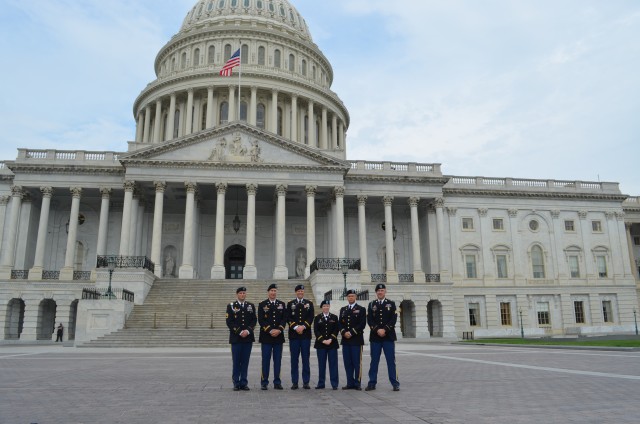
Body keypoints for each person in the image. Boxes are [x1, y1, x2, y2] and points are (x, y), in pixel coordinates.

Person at [365, 283, 400, 391]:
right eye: (378, 291)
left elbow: (393, 319)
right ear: (376, 292)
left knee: (391, 361)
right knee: (374, 361)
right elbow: (369, 320)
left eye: (382, 290)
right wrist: (377, 329)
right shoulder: (371, 305)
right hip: (375, 337)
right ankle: (372, 382)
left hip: (388, 337)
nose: (380, 292)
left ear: (385, 291)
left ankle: (395, 383)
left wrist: (385, 329)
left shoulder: (391, 304)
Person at [226, 286, 257, 391]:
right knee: (236, 361)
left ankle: (244, 382)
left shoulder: (251, 306)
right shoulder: (231, 306)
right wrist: (239, 331)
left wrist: (248, 331)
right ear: (237, 294)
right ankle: (236, 382)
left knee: (245, 361)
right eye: (241, 293)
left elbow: (254, 320)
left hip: (247, 338)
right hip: (236, 338)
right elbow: (229, 322)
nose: (242, 295)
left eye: (244, 293)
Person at [258, 283, 287, 390]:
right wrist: (270, 330)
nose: (273, 293)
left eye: (275, 291)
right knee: (265, 360)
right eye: (271, 291)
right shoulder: (262, 304)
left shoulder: (282, 304)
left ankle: (277, 382)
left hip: (278, 337)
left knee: (277, 360)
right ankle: (264, 382)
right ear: (268, 292)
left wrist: (279, 330)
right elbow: (261, 320)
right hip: (266, 337)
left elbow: (284, 319)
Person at [286, 284, 314, 389]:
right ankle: (295, 382)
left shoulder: (309, 303)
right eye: (298, 291)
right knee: (294, 359)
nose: (300, 293)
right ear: (296, 292)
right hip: (294, 336)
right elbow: (288, 317)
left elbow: (311, 318)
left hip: (305, 335)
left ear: (303, 292)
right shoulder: (290, 304)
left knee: (306, 359)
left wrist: (303, 327)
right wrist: (296, 327)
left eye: (302, 291)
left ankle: (306, 381)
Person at [339, 289, 366, 390]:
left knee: (356, 362)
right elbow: (340, 323)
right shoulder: (343, 309)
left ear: (356, 297)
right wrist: (343, 332)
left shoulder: (361, 309)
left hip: (356, 340)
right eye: (349, 296)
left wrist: (351, 332)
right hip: (346, 340)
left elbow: (362, 324)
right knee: (347, 362)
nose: (351, 297)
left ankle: (357, 382)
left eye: (352, 296)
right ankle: (349, 382)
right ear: (347, 297)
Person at [313, 300, 339, 390]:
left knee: (333, 365)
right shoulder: (317, 318)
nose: (326, 307)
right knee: (321, 365)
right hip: (321, 344)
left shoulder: (334, 317)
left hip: (332, 344)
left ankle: (334, 384)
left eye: (327, 306)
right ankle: (321, 383)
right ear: (321, 307)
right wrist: (323, 340)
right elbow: (316, 330)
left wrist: (331, 339)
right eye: (324, 306)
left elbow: (336, 330)